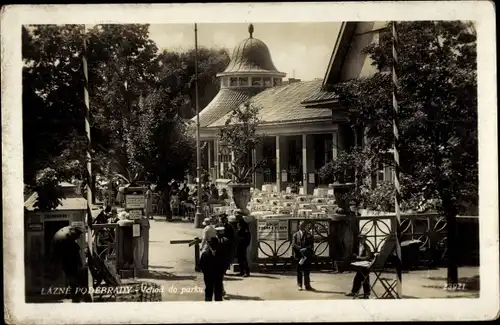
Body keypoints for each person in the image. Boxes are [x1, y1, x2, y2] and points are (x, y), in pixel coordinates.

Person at [51, 225, 88, 302]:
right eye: (79, 235)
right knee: (73, 279)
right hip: (70, 264)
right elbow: (76, 256)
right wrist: (79, 263)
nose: (79, 237)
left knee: (70, 278)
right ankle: (74, 296)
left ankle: (71, 293)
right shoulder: (70, 243)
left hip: (66, 262)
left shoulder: (65, 238)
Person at [198, 237, 226, 301]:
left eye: (215, 244)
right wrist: (206, 273)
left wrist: (221, 273)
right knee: (208, 294)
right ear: (209, 245)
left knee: (218, 295)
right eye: (211, 244)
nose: (213, 246)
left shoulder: (221, 254)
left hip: (218, 277)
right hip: (208, 278)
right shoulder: (205, 255)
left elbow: (224, 264)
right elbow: (201, 266)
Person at [292, 221, 314, 291]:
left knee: (307, 271)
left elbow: (311, 245)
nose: (302, 227)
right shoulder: (295, 235)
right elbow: (293, 245)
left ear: (305, 227)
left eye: (303, 226)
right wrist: (300, 249)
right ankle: (299, 285)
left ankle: (307, 285)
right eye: (301, 225)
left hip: (306, 256)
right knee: (299, 271)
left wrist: (305, 249)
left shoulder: (309, 235)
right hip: (298, 255)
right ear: (299, 226)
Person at [235, 211, 251, 277]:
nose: (236, 217)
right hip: (239, 243)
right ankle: (241, 271)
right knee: (239, 258)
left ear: (240, 216)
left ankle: (246, 272)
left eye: (237, 216)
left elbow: (247, 235)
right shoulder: (238, 223)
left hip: (243, 243)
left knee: (243, 258)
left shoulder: (244, 224)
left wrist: (246, 243)